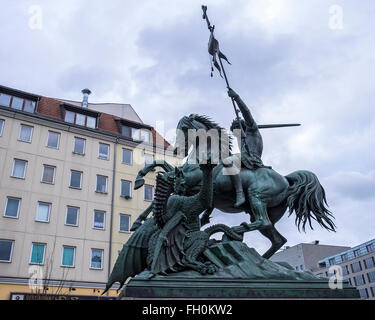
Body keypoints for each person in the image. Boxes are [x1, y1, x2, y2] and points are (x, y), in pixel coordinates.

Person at [223, 88, 269, 208]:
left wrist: (236, 97)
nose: (236, 132)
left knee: (227, 161)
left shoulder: (252, 130)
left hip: (252, 159)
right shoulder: (242, 139)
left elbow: (246, 112)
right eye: (234, 131)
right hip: (245, 160)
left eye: (237, 128)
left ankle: (240, 194)